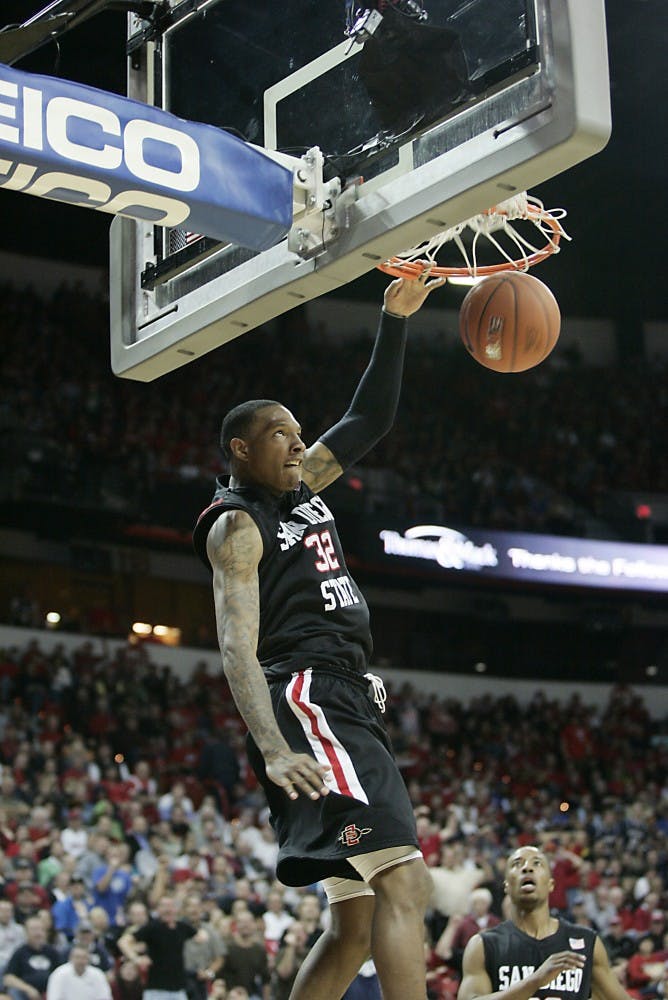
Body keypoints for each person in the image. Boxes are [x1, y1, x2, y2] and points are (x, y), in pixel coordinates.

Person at [193, 271, 445, 1000]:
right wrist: (274, 747)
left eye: (301, 435)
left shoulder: (302, 489)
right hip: (310, 699)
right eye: (282, 435)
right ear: (241, 449)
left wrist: (394, 319)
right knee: (405, 881)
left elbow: (368, 419)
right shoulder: (238, 525)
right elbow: (237, 646)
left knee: (355, 922)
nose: (300, 446)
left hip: (340, 695)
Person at [458, 846, 632, 1000]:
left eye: (537, 863)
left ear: (550, 884)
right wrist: (535, 980)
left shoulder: (586, 942)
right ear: (507, 886)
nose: (527, 868)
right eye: (518, 864)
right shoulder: (484, 945)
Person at [117, 895, 198, 1000]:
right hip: (156, 990)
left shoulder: (182, 927)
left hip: (178, 990)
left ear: (176, 909)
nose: (167, 909)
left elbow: (200, 935)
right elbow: (123, 942)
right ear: (158, 909)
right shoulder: (153, 928)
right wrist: (136, 959)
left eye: (170, 906)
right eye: (164, 906)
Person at [3, 914, 63, 1000]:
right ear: (26, 932)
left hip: (50, 992)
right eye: (34, 929)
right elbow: (8, 978)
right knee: (14, 991)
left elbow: (62, 974)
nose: (38, 933)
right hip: (26, 994)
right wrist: (28, 989)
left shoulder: (52, 952)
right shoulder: (20, 952)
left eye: (41, 929)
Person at [45, 944, 112, 1000]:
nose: (80, 961)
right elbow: (54, 997)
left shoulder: (98, 974)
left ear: (89, 959)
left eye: (84, 957)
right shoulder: (59, 974)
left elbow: (105, 997)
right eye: (77, 957)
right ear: (70, 958)